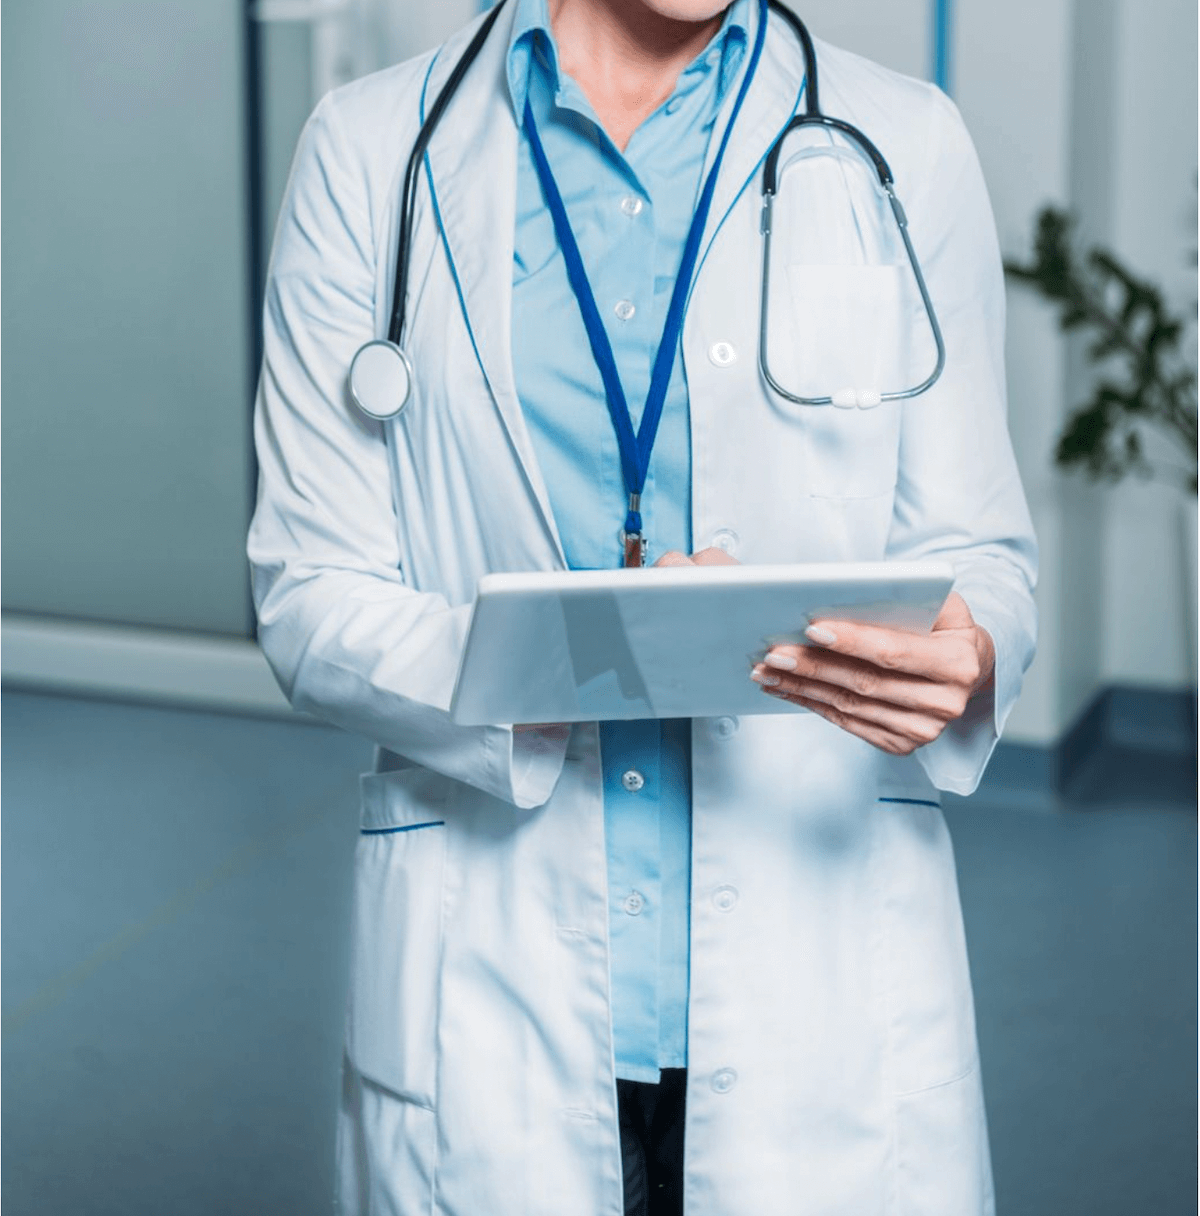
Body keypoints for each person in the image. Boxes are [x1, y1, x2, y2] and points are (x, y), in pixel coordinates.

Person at [247, 0, 1037, 1212]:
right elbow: (307, 592)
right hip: (492, 975)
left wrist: (970, 648)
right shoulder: (370, 152)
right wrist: (593, 651)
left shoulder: (901, 141)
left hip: (816, 984)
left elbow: (978, 547)